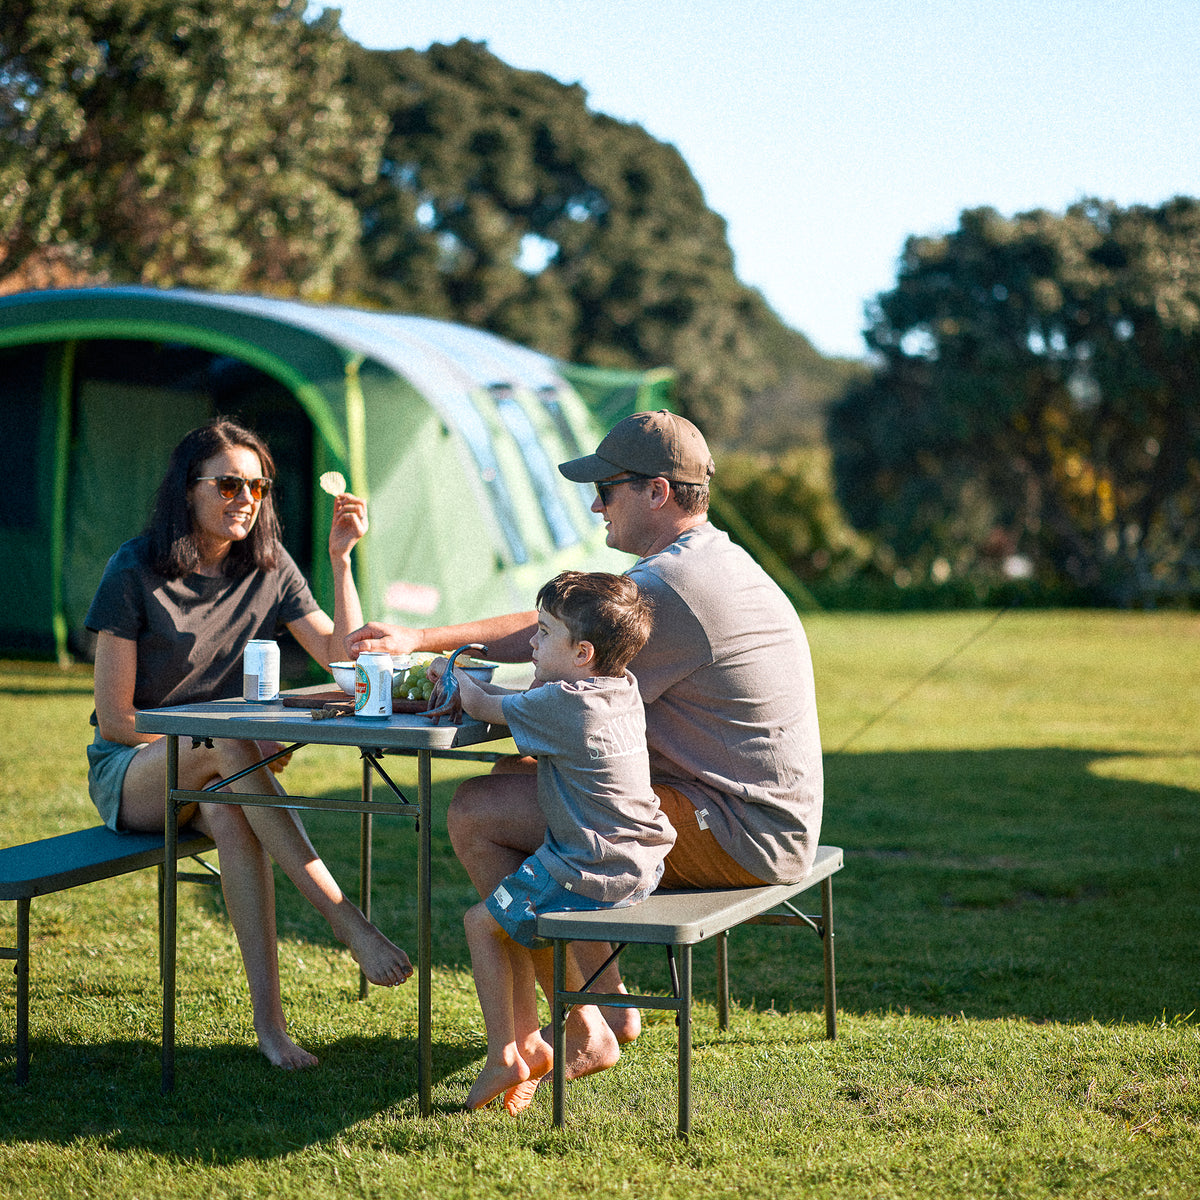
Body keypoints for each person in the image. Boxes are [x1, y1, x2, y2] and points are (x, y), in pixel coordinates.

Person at [347, 409, 823, 1085]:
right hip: (760, 816)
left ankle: (586, 1023)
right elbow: (562, 640)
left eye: (608, 488)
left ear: (657, 492)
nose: (595, 504)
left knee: (477, 811)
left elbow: (553, 636)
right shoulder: (708, 560)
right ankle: (605, 1008)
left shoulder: (671, 587)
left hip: (741, 831)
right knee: (523, 771)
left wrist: (423, 644)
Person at [86, 417, 413, 1071]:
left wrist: (342, 558)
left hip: (221, 773)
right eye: (229, 485)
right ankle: (345, 919)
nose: (246, 501)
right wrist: (205, 743)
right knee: (230, 745)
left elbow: (342, 661)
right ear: (188, 489)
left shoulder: (268, 567)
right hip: (133, 772)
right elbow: (116, 719)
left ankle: (271, 1029)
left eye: (258, 488)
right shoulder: (133, 568)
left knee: (234, 814)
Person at [449, 571, 672, 1113]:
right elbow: (527, 703)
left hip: (589, 866)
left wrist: (449, 671)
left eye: (544, 632)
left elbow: (480, 706)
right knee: (508, 917)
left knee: (481, 923)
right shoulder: (619, 688)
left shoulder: (563, 705)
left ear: (582, 653)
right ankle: (536, 1042)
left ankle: (508, 1055)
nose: (532, 641)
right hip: (638, 858)